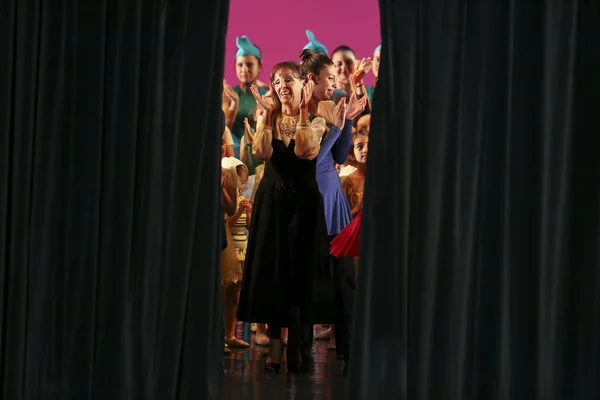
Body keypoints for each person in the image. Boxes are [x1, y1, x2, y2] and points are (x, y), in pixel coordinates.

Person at [237, 61, 343, 373]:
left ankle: (298, 345)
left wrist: (300, 115)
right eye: (277, 81)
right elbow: (263, 152)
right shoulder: (266, 115)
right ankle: (273, 348)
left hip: (304, 206)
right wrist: (267, 117)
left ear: (303, 84)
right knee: (273, 274)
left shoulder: (316, 117)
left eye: (289, 80)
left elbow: (305, 151)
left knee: (301, 276)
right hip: (272, 203)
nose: (283, 86)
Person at [298, 48, 367, 352]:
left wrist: (348, 121)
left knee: (344, 283)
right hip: (309, 201)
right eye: (329, 78)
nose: (333, 82)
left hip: (333, 204)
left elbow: (339, 155)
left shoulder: (330, 106)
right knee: (304, 280)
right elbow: (310, 162)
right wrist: (337, 126)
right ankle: (298, 349)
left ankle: (348, 348)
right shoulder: (297, 112)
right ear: (312, 79)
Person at [222, 35, 268, 158]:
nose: (244, 69)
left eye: (249, 64)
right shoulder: (228, 94)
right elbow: (224, 131)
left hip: (259, 155)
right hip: (233, 156)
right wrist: (234, 103)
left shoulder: (266, 94)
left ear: (260, 67)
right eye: (240, 65)